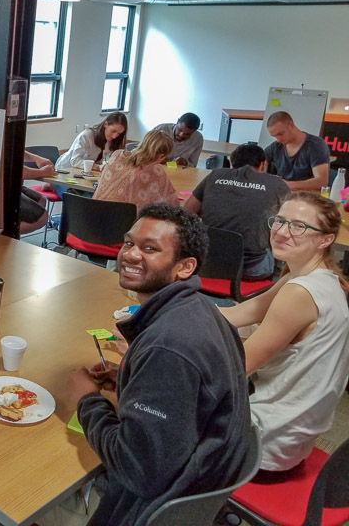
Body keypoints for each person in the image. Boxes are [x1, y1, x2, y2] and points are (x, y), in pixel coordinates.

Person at [68, 203, 251, 526]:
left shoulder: (169, 346)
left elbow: (139, 472)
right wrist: (129, 377)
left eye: (150, 249)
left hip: (151, 508)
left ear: (185, 267)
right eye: (129, 243)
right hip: (196, 480)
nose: (131, 255)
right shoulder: (202, 310)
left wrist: (88, 401)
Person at [221, 192, 349, 475]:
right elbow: (242, 313)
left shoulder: (300, 292)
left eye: (298, 226)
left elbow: (235, 369)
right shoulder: (309, 277)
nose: (281, 231)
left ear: (325, 240)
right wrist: (174, 309)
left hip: (264, 444)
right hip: (293, 435)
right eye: (279, 221)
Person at [185, 143, 289, 280]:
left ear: (232, 164)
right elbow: (289, 221)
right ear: (264, 165)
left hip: (207, 264)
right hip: (252, 270)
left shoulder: (215, 176)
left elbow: (187, 212)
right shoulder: (277, 185)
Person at [92, 130, 178, 211]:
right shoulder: (156, 171)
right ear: (162, 156)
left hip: (93, 213)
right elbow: (173, 204)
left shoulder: (117, 155)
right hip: (124, 223)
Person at [263, 111, 330, 191]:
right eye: (274, 136)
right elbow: (257, 162)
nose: (278, 140)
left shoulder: (316, 145)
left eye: (280, 134)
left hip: (307, 197)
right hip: (283, 194)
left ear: (291, 125)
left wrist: (289, 185)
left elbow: (321, 182)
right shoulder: (276, 146)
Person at [55, 112, 128, 171]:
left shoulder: (113, 141)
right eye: (113, 131)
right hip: (65, 170)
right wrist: (97, 167)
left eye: (119, 134)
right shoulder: (86, 136)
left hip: (85, 172)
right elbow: (75, 161)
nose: (115, 136)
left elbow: (106, 159)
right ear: (106, 124)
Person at [20, 150, 54, 234]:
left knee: (41, 200)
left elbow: (15, 150)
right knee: (42, 218)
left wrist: (36, 158)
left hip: (11, 185)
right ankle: (1, 232)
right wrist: (44, 172)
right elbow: (21, 172)